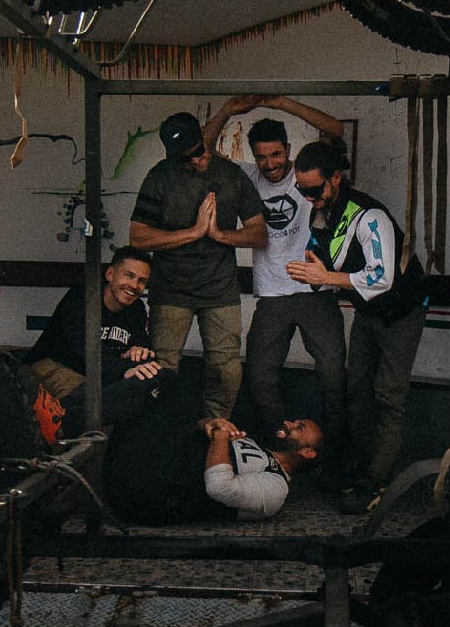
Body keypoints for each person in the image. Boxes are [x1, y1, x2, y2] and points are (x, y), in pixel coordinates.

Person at [201, 95, 349, 465]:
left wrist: (281, 103)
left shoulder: (305, 174)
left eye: (277, 155)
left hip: (316, 292)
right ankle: (282, 453)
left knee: (333, 376)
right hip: (271, 294)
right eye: (262, 156)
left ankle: (334, 461)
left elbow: (336, 130)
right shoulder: (247, 176)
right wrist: (228, 110)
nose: (270, 164)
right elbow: (202, 152)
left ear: (288, 151)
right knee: (261, 375)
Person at [286, 140, 427, 515]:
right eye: (301, 190)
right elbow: (327, 261)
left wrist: (326, 275)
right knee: (357, 390)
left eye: (314, 190)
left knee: (388, 395)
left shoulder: (369, 215)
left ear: (336, 178)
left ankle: (376, 482)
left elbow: (380, 277)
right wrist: (312, 271)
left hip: (401, 312)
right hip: (367, 313)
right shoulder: (323, 211)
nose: (308, 197)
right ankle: (351, 467)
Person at [129, 111, 266, 420]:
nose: (197, 161)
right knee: (162, 366)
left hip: (220, 289)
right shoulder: (160, 176)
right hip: (170, 289)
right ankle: (158, 429)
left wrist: (219, 234)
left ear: (205, 141)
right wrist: (193, 232)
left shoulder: (232, 175)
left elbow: (259, 234)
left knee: (226, 367)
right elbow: (138, 237)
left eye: (199, 152)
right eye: (187, 158)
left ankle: (216, 428)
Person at [22, 245, 171, 429]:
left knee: (160, 379)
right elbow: (84, 348)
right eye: (129, 275)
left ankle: (67, 426)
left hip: (101, 372)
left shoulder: (136, 309)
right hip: (54, 365)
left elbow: (142, 350)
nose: (134, 285)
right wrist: (122, 372)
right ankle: (60, 427)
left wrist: (140, 352)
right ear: (110, 274)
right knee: (104, 401)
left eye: (142, 281)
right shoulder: (83, 297)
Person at [104, 414, 325, 525]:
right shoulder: (256, 445)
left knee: (165, 386)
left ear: (307, 452)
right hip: (143, 460)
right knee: (157, 382)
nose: (288, 423)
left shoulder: (275, 489)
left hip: (146, 493)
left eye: (299, 427)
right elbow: (194, 431)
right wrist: (208, 423)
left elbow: (219, 487)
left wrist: (220, 435)